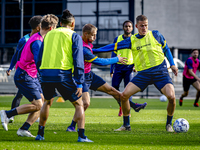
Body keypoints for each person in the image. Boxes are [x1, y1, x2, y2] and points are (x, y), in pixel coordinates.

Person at [94, 15, 178, 132]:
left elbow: (166, 49)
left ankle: (169, 124)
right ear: (136, 26)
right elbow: (112, 47)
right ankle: (126, 125)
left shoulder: (156, 35)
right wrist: (93, 50)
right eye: (142, 26)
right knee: (124, 96)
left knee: (172, 97)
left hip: (160, 72)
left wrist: (172, 64)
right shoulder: (131, 40)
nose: (144, 28)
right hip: (143, 74)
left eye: (146, 25)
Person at [66, 23, 146, 132]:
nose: (95, 37)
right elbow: (99, 62)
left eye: (95, 35)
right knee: (85, 103)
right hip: (81, 77)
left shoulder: (84, 41)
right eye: (93, 35)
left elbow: (96, 52)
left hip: (89, 75)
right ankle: (71, 126)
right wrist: (116, 59)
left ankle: (132, 110)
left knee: (112, 91)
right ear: (85, 34)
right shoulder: (84, 49)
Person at [35, 9, 93, 142]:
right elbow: (78, 61)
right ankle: (82, 136)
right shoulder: (74, 36)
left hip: (45, 73)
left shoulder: (48, 35)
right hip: (62, 74)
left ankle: (40, 134)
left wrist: (41, 72)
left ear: (60, 23)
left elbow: (39, 57)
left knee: (47, 101)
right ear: (73, 24)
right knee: (79, 103)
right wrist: (79, 82)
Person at [0, 14, 58, 137]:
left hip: (29, 75)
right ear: (52, 29)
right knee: (38, 104)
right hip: (25, 75)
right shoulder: (37, 42)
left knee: (43, 102)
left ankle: (24, 129)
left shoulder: (37, 37)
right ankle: (7, 114)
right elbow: (39, 63)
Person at [6, 15, 43, 123]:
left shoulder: (39, 38)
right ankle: (10, 115)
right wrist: (11, 67)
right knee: (20, 94)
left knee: (40, 96)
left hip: (33, 72)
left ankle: (33, 113)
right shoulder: (25, 40)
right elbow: (16, 54)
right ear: (38, 26)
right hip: (24, 71)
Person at [110, 20, 147, 117]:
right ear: (123, 28)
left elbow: (138, 54)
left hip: (129, 68)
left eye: (129, 26)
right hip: (118, 67)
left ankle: (127, 110)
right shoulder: (117, 39)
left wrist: (136, 66)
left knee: (128, 91)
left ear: (132, 28)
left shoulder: (135, 39)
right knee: (114, 89)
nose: (127, 28)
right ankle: (123, 106)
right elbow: (113, 53)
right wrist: (111, 69)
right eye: (126, 26)